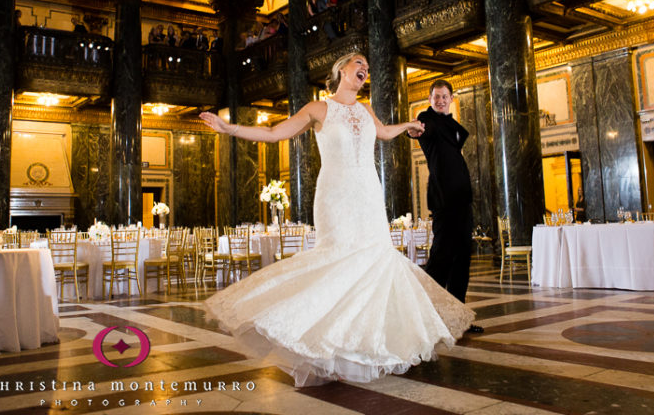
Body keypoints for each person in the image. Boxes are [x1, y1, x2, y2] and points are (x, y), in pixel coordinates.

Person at [199, 53, 474, 386]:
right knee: (339, 261)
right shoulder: (318, 108)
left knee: (375, 263)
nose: (364, 69)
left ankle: (365, 348)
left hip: (369, 195)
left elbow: (384, 133)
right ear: (341, 69)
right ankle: (317, 337)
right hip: (336, 196)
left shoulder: (365, 108)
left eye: (368, 68)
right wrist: (230, 128)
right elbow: (274, 133)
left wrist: (409, 126)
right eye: (359, 64)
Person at [408, 80, 483, 333]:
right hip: (444, 200)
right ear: (430, 99)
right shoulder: (426, 119)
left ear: (451, 98)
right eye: (436, 96)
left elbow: (456, 139)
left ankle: (458, 319)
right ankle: (426, 317)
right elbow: (420, 130)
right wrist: (413, 131)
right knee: (441, 258)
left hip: (462, 200)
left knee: (462, 259)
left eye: (444, 96)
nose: (440, 100)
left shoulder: (452, 125)